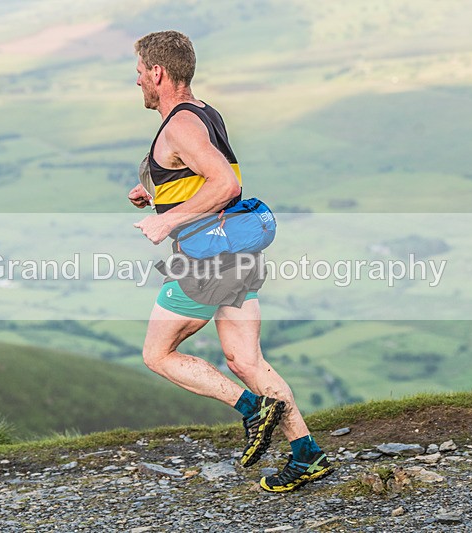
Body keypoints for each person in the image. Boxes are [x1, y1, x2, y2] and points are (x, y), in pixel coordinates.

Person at [129, 30, 334, 492]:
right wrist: (158, 196)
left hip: (205, 262)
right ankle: (307, 454)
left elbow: (225, 185)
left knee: (157, 354)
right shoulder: (204, 113)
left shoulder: (179, 124)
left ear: (157, 73)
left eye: (140, 71)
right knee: (246, 358)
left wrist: (168, 222)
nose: (137, 80)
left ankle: (251, 409)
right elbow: (200, 176)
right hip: (236, 252)